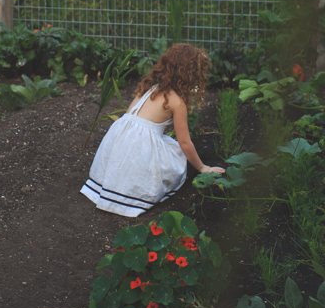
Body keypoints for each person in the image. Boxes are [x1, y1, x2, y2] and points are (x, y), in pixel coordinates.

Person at [81, 43, 225, 217]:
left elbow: (133, 124)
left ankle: (111, 183)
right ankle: (132, 191)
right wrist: (202, 167)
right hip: (139, 148)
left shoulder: (150, 88)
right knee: (176, 154)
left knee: (158, 144)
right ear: (191, 75)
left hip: (118, 144)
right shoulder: (177, 102)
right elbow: (185, 142)